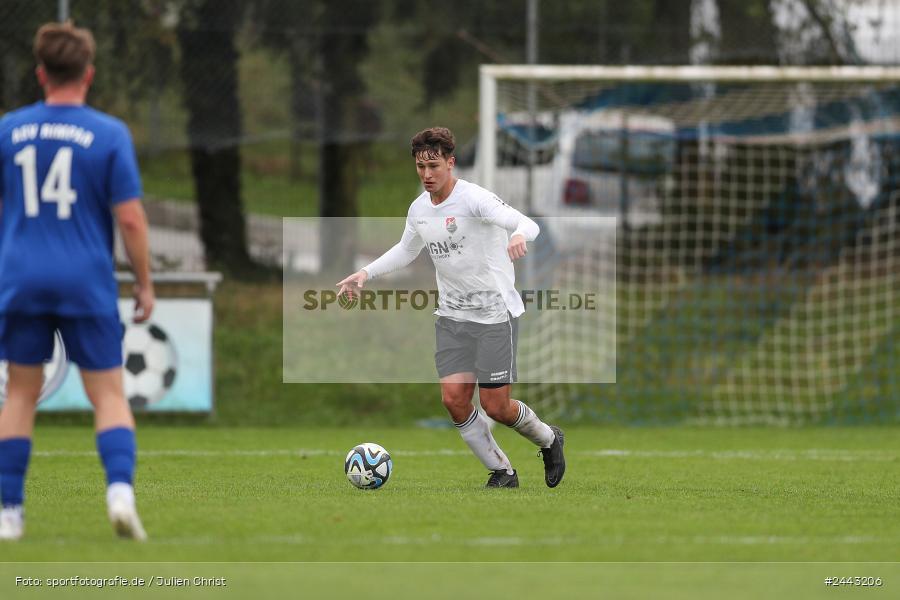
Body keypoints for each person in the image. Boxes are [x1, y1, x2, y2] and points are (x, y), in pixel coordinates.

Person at [338, 127, 565, 488]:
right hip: (452, 318)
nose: (426, 174)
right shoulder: (418, 209)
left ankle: (550, 440)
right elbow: (406, 250)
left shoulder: (475, 199)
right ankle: (502, 472)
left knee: (497, 407)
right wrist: (366, 272)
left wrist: (520, 235)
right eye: (420, 167)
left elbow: (526, 223)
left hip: (494, 316)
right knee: (454, 400)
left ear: (450, 163)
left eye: (433, 166)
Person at [0, 22, 153, 541]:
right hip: (85, 280)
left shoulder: (8, 129)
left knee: (20, 394)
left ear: (41, 73)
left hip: (21, 280)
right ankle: (119, 495)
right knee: (108, 394)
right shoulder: (108, 133)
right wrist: (145, 283)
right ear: (88, 74)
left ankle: (9, 514)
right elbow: (130, 219)